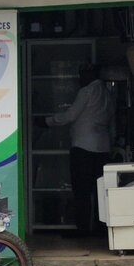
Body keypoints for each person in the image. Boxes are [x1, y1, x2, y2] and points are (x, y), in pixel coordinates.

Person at [43, 63, 115, 237]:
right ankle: (101, 228)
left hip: (83, 147)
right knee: (100, 191)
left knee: (82, 191)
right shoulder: (107, 94)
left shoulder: (87, 91)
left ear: (89, 75)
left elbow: (70, 116)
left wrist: (47, 121)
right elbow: (113, 122)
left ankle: (83, 229)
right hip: (103, 147)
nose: (79, 79)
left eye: (81, 74)